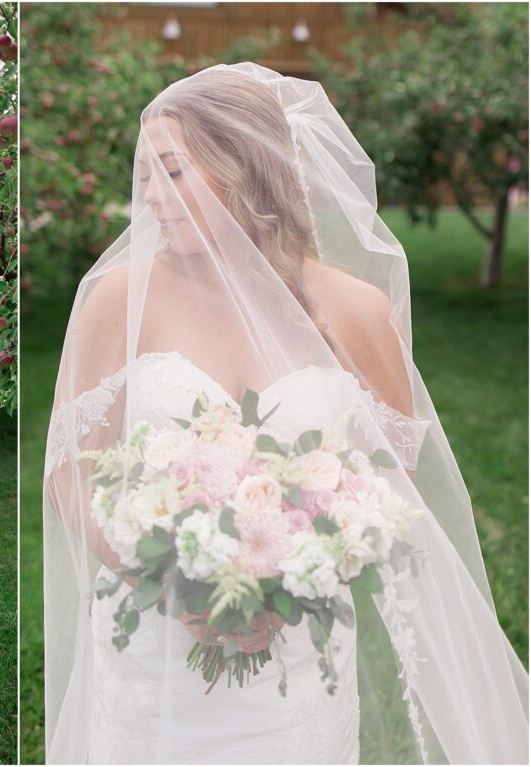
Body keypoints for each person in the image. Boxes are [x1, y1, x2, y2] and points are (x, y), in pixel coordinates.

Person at [42, 62, 528, 764]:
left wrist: (298, 572)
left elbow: (394, 484)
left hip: (298, 661)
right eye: (143, 175)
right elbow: (68, 470)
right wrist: (172, 580)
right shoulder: (118, 300)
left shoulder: (355, 309)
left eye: (172, 172)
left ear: (243, 168)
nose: (148, 198)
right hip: (155, 653)